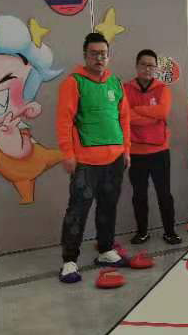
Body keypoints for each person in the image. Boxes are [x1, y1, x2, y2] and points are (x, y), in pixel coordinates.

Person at [56, 32, 131, 284]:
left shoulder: (115, 83)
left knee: (108, 207)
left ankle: (106, 250)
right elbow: (64, 121)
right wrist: (68, 153)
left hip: (115, 159)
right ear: (85, 55)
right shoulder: (73, 82)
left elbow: (124, 119)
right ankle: (69, 261)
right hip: (85, 161)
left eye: (103, 54)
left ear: (108, 56)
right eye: (94, 53)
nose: (99, 58)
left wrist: (126, 150)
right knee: (77, 211)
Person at [124, 49, 181, 245]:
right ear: (137, 66)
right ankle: (142, 232)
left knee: (164, 194)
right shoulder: (126, 88)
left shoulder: (163, 89)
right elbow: (124, 116)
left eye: (151, 65)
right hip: (135, 151)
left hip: (159, 151)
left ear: (156, 68)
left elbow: (162, 112)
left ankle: (170, 232)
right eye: (143, 64)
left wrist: (137, 111)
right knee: (139, 195)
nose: (147, 69)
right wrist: (150, 115)